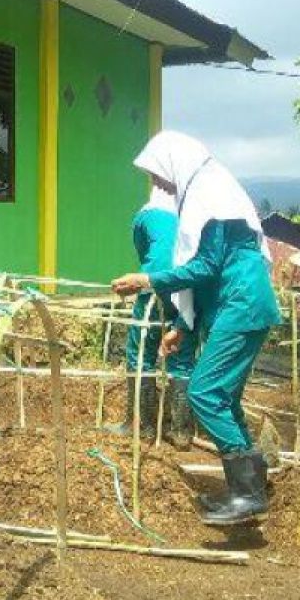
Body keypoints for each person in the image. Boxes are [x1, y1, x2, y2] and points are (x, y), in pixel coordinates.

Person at [111, 131, 282, 526]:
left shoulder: (211, 197)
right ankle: (251, 487)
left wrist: (145, 280)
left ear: (176, 165)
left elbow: (205, 268)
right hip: (237, 307)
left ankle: (248, 496)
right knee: (226, 399)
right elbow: (205, 276)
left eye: (159, 175)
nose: (157, 184)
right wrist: (183, 328)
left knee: (205, 392)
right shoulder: (204, 195)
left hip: (241, 306)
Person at [106, 184, 197, 448]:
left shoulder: (145, 216)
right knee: (182, 355)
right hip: (186, 283)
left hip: (153, 281)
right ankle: (180, 432)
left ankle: (141, 426)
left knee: (141, 353)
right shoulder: (190, 218)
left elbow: (146, 254)